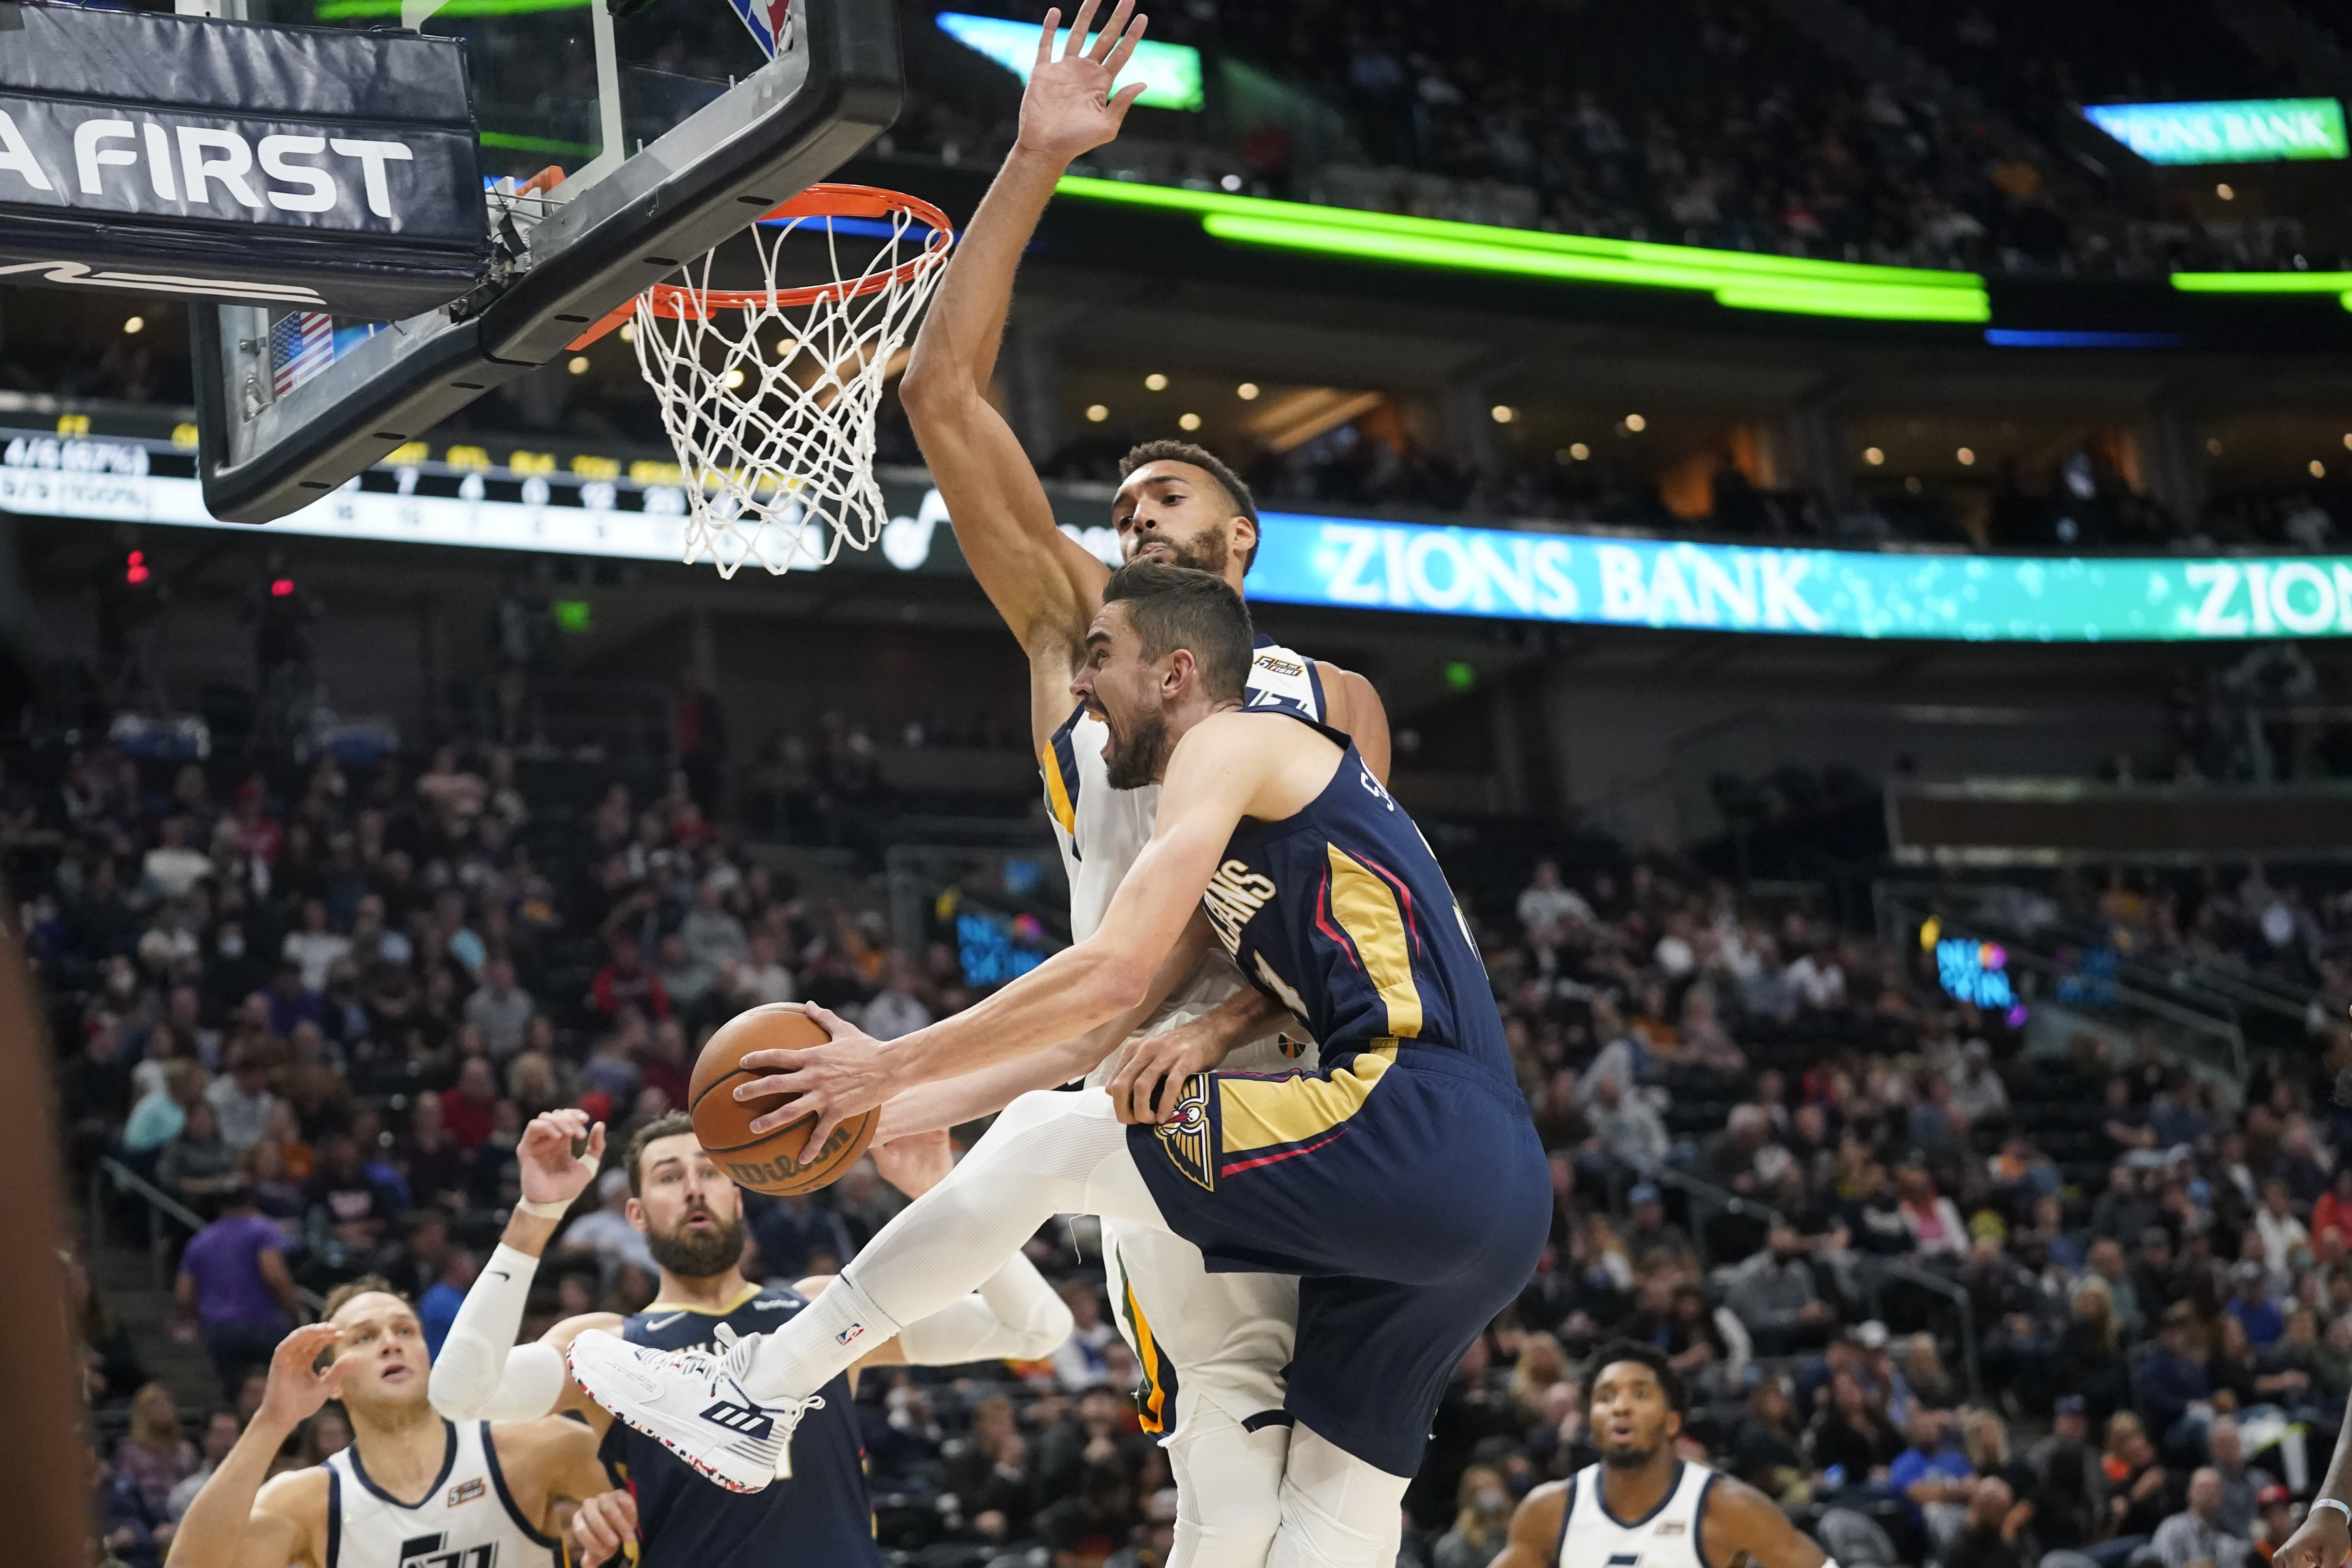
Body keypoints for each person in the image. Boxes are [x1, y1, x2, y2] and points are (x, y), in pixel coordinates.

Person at [568, 552, 1548, 1568]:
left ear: (1174, 674)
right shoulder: (1265, 840)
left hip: (1417, 1113)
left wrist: (883, 1065)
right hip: (1492, 1203)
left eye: (1100, 658)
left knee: (1046, 1140)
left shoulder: (1236, 744)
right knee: (1328, 1519)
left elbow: (1111, 972)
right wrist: (897, 1108)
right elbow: (1087, 1041)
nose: (1081, 686)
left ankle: (761, 1388)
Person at [879, 10, 1392, 1564]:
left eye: (1164, 498)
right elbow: (941, 395)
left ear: (1240, 546)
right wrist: (1034, 158)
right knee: (1224, 1478)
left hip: (1318, 1081)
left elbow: (1365, 922)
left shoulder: (1337, 697)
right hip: (1138, 1093)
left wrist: (1233, 1013)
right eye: (1122, 502)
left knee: (1345, 1476)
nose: (1133, 513)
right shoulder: (1073, 633)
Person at [426, 1109, 1071, 1566]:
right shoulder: (608, 1343)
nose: (694, 1187)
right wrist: (535, 1212)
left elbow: (1037, 1327)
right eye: (669, 1176)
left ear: (739, 1196)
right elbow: (461, 1392)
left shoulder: (821, 1309)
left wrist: (941, 1187)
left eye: (709, 1171)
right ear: (637, 1212)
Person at [162, 1281, 609, 1568]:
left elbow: (662, 1508)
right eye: (365, 1337)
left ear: (428, 1355)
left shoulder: (533, 1446)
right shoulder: (310, 1502)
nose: (391, 1344)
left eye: (405, 1330)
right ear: (331, 1380)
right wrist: (271, 1422)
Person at [1485, 1343, 1826, 1567]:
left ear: (1672, 1422)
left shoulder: (1727, 1507)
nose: (1620, 1407)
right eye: (1606, 1397)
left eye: (1640, 1394)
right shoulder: (1547, 1511)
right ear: (1592, 1422)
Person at [176, 1181, 304, 1395]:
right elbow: (275, 1276)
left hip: (220, 1330)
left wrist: (203, 1321)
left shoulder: (200, 1241)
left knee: (234, 1393)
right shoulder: (261, 1230)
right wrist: (295, 1312)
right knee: (281, 1391)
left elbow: (183, 1295)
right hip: (263, 1325)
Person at [2154, 1466, 2254, 1568]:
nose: (2207, 1493)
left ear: (2220, 1497)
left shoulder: (2225, 1540)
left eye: (2213, 1488)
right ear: (2190, 1493)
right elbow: (2162, 1563)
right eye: (2203, 1487)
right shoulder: (2172, 1528)